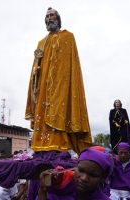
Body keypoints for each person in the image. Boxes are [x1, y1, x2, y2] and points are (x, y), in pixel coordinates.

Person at [25, 7, 92, 154]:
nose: (49, 18)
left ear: (57, 18)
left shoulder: (68, 37)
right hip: (43, 85)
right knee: (42, 112)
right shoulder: (41, 42)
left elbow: (71, 64)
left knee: (59, 111)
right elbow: (36, 64)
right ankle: (42, 146)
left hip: (62, 83)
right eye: (47, 16)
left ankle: (62, 144)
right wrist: (35, 71)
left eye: (52, 15)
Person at [37, 147, 112, 200]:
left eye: (92, 175)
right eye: (81, 170)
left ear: (103, 178)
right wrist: (43, 190)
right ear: (76, 167)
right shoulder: (59, 193)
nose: (84, 178)